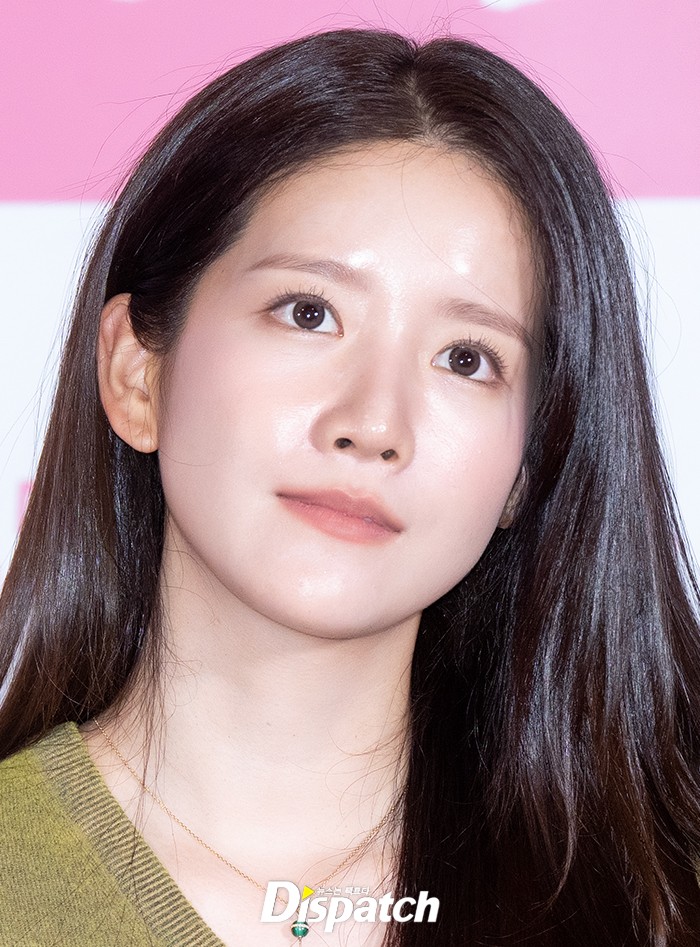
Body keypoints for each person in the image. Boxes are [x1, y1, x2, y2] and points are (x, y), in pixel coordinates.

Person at [1, 26, 699, 947]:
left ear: (526, 470)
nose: (373, 423)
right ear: (138, 374)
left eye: (467, 358)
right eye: (309, 312)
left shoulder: (661, 899)